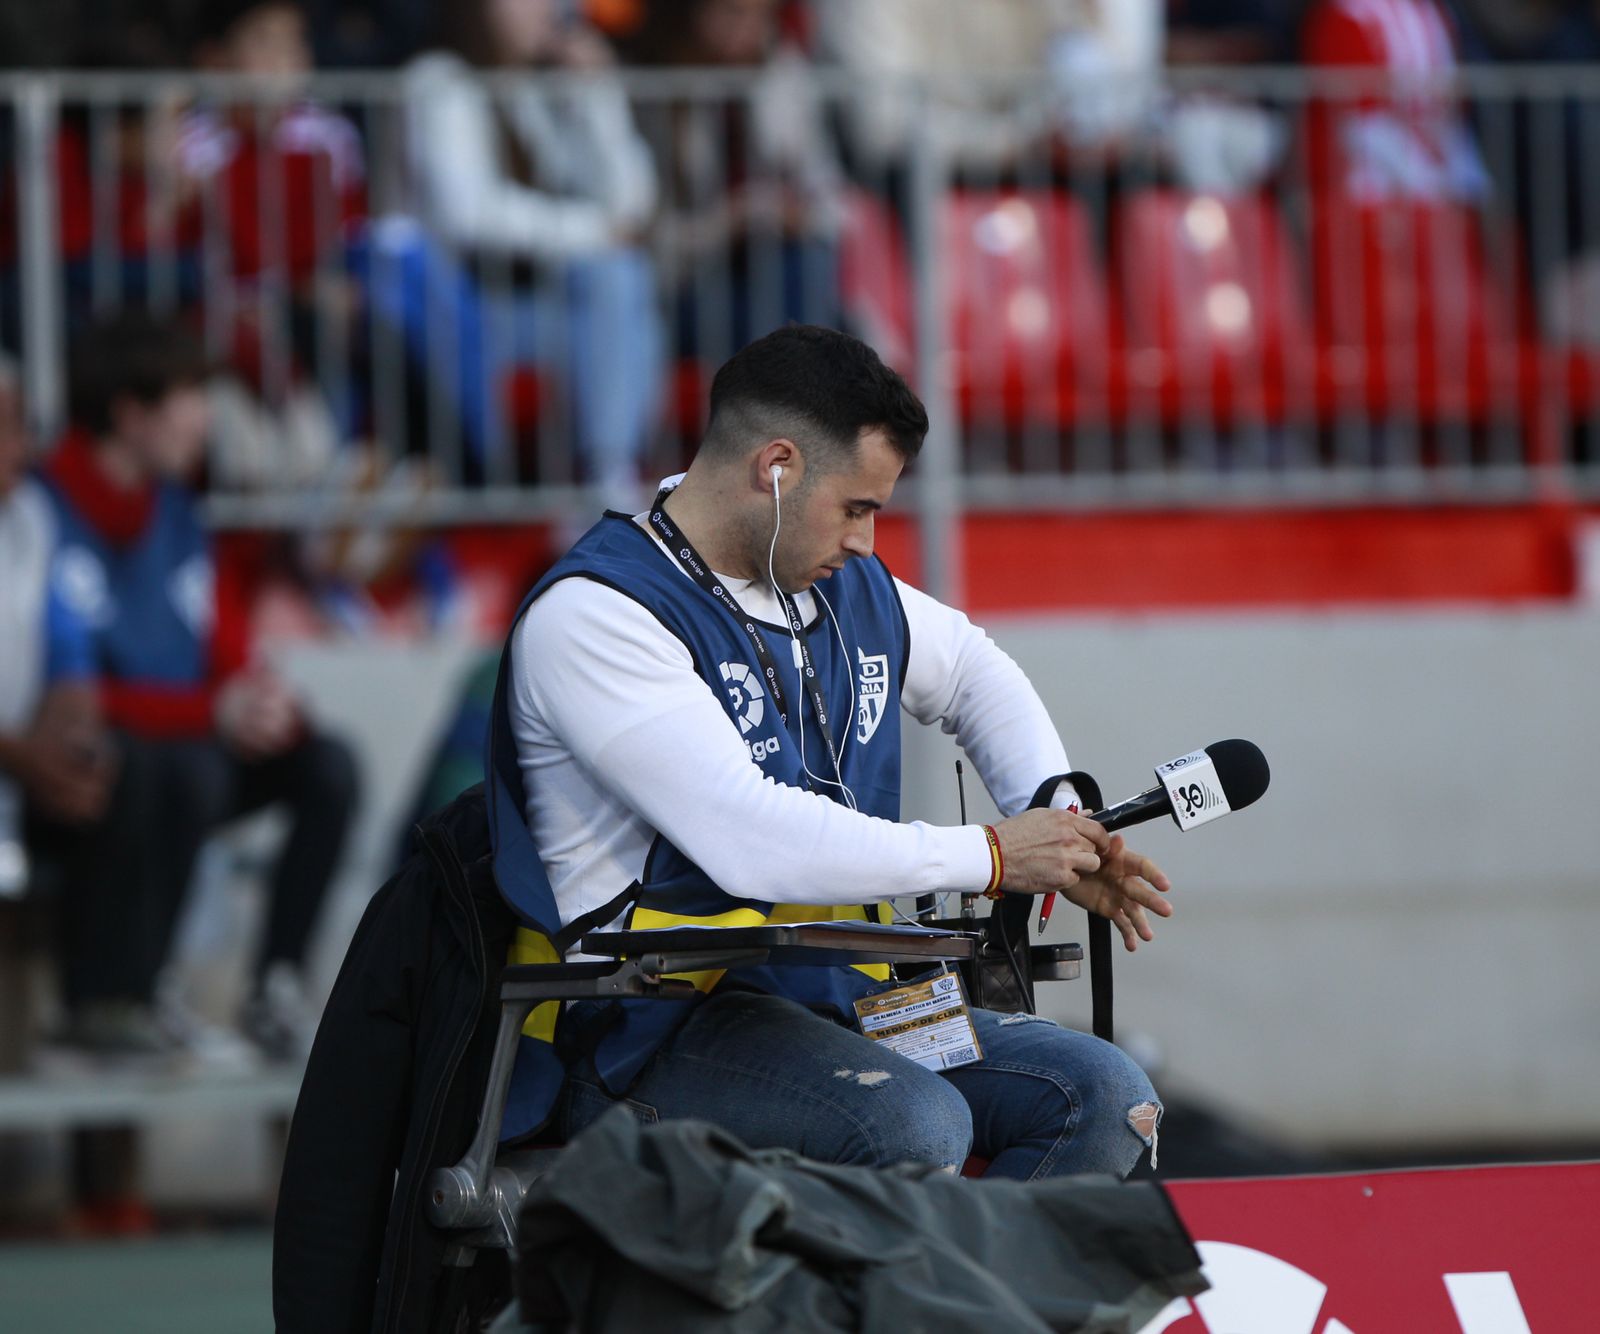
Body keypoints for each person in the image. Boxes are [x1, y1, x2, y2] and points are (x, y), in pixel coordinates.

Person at [492, 325, 1170, 1177]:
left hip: (836, 998)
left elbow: (972, 671)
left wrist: (1061, 823)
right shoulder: (598, 613)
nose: (865, 543)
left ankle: (968, 1270)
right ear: (777, 468)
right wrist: (995, 855)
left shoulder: (833, 581)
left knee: (1107, 1098)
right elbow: (747, 838)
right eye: (858, 508)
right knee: (911, 1123)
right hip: (640, 1026)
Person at [39, 313, 359, 1061]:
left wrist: (264, 702)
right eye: (189, 397)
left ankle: (275, 989)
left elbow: (223, 647)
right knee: (177, 764)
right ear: (131, 413)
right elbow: (62, 695)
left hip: (188, 749)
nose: (206, 420)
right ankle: (121, 996)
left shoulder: (179, 511)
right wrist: (208, 712)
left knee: (326, 763)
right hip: (92, 771)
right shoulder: (43, 511)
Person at [384, 0, 662, 497]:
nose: (548, 10)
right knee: (615, 277)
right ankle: (606, 482)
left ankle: (608, 474)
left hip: (525, 305)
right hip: (455, 309)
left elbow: (631, 204)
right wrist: (596, 232)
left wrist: (599, 95)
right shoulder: (438, 78)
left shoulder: (531, 87)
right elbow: (469, 215)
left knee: (623, 283)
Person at [0, 356, 111, 901]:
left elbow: (69, 647)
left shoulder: (31, 514)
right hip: (14, 760)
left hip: (19, 769)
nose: (24, 447)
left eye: (23, 426)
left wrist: (69, 739)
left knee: (130, 771)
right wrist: (25, 758)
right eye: (7, 427)